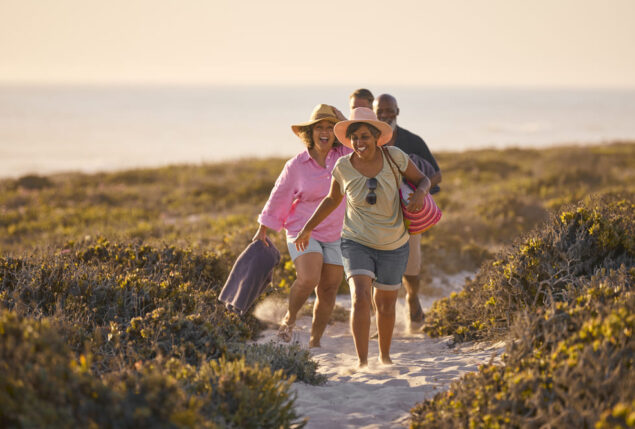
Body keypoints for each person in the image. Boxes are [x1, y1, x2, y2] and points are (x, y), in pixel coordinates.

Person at [295, 107, 431, 367]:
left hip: (394, 243)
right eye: (355, 138)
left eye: (365, 136)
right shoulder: (343, 166)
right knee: (359, 297)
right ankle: (362, 362)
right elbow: (332, 199)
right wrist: (307, 228)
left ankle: (385, 356)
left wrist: (422, 193)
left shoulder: (395, 157)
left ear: (377, 137)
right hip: (356, 241)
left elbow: (423, 179)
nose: (359, 143)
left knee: (386, 303)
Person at [253, 104, 350, 348]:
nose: (325, 132)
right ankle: (290, 318)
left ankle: (315, 340)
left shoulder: (344, 156)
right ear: (310, 132)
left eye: (330, 127)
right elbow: (280, 195)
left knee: (328, 288)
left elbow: (359, 136)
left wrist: (342, 119)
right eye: (320, 127)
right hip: (302, 228)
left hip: (337, 232)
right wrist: (264, 227)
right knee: (308, 278)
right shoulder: (296, 165)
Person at [373, 93, 442, 324]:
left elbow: (436, 173)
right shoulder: (367, 140)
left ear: (397, 112)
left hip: (410, 213)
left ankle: (412, 297)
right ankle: (383, 319)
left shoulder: (412, 140)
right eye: (379, 111)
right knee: (379, 270)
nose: (384, 115)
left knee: (411, 264)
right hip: (377, 215)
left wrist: (421, 193)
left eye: (389, 110)